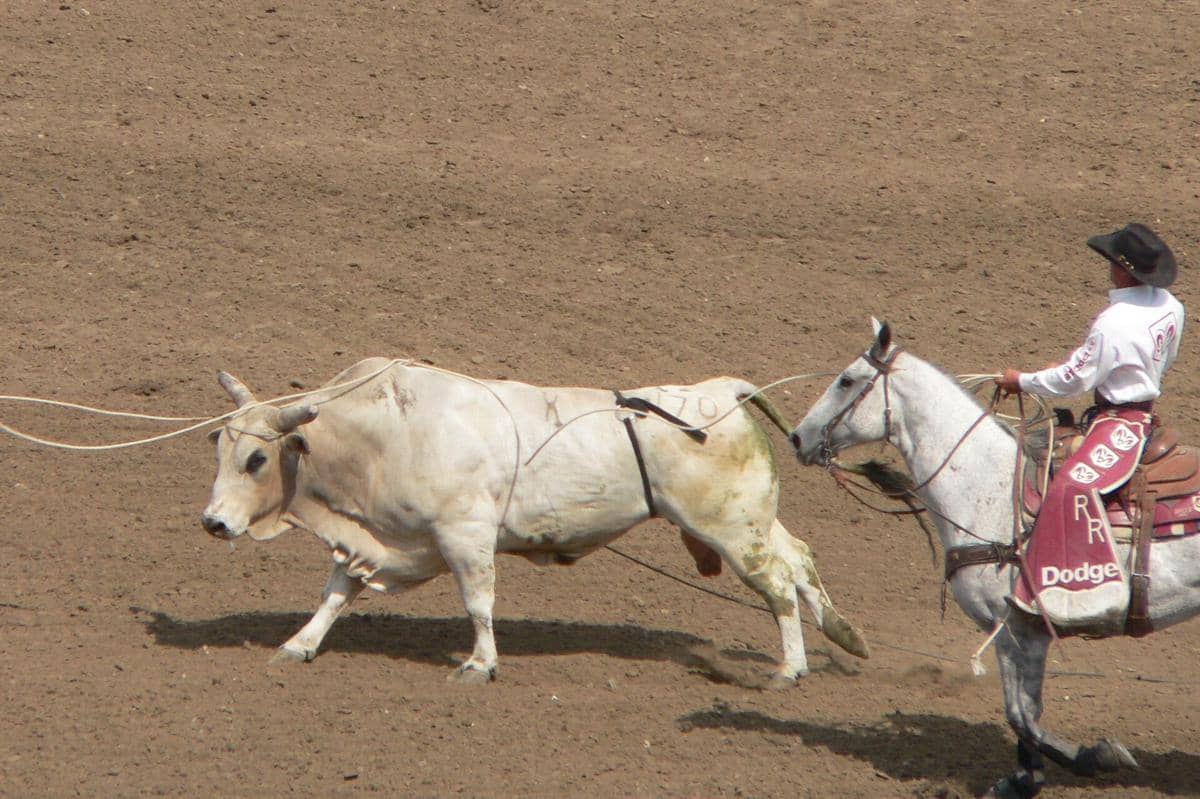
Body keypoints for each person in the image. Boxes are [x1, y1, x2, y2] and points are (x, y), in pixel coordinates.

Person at [994, 223, 1185, 628]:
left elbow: (1072, 381)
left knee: (1071, 485)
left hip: (1121, 422)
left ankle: (1080, 588)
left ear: (1123, 270)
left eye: (1113, 263)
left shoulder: (1113, 322)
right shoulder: (1171, 305)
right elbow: (1161, 360)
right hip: (1143, 408)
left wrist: (1022, 380)